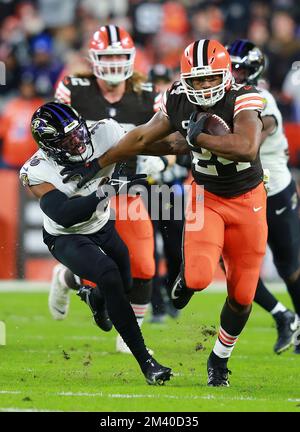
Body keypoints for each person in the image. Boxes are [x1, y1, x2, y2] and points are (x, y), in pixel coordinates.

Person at [60, 39, 267, 387]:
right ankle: (187, 278)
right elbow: (143, 138)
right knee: (199, 278)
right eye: (196, 79)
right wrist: (95, 164)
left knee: (243, 295)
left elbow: (246, 147)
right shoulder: (178, 97)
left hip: (249, 200)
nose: (202, 86)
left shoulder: (245, 97)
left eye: (209, 78)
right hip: (207, 196)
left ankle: (219, 359)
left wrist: (196, 139)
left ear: (226, 75)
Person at [19, 101, 172, 385]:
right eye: (67, 140)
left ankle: (91, 295)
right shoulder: (37, 171)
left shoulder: (105, 131)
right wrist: (109, 191)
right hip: (67, 236)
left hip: (101, 224)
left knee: (125, 284)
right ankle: (147, 363)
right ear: (50, 146)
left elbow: (148, 140)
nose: (78, 143)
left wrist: (189, 144)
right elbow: (64, 215)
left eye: (78, 133)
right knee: (109, 275)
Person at [51, 25, 168, 354]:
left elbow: (169, 138)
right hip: (89, 191)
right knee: (101, 274)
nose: (115, 63)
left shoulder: (147, 94)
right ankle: (68, 279)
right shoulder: (74, 89)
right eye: (108, 56)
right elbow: (52, 140)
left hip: (130, 190)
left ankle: (131, 338)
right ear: (93, 59)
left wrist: (166, 162)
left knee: (144, 265)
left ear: (131, 58)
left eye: (120, 56)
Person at [227, 39, 300, 354]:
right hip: (243, 194)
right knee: (234, 267)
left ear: (253, 70)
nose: (233, 72)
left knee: (290, 266)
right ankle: (283, 316)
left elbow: (251, 141)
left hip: (274, 191)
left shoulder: (261, 98)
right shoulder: (224, 98)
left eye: (239, 67)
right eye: (231, 66)